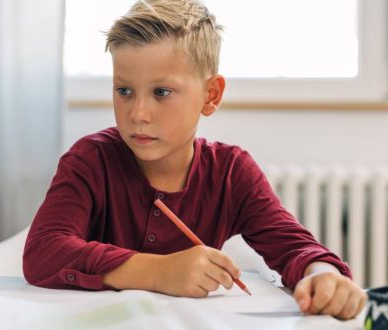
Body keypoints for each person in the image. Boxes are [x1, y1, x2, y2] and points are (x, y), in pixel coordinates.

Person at [23, 0, 367, 320]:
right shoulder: (91, 159)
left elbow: (296, 248)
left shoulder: (231, 172)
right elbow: (43, 253)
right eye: (124, 91)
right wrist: (159, 272)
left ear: (211, 95)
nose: (138, 114)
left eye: (161, 92)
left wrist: (324, 275)